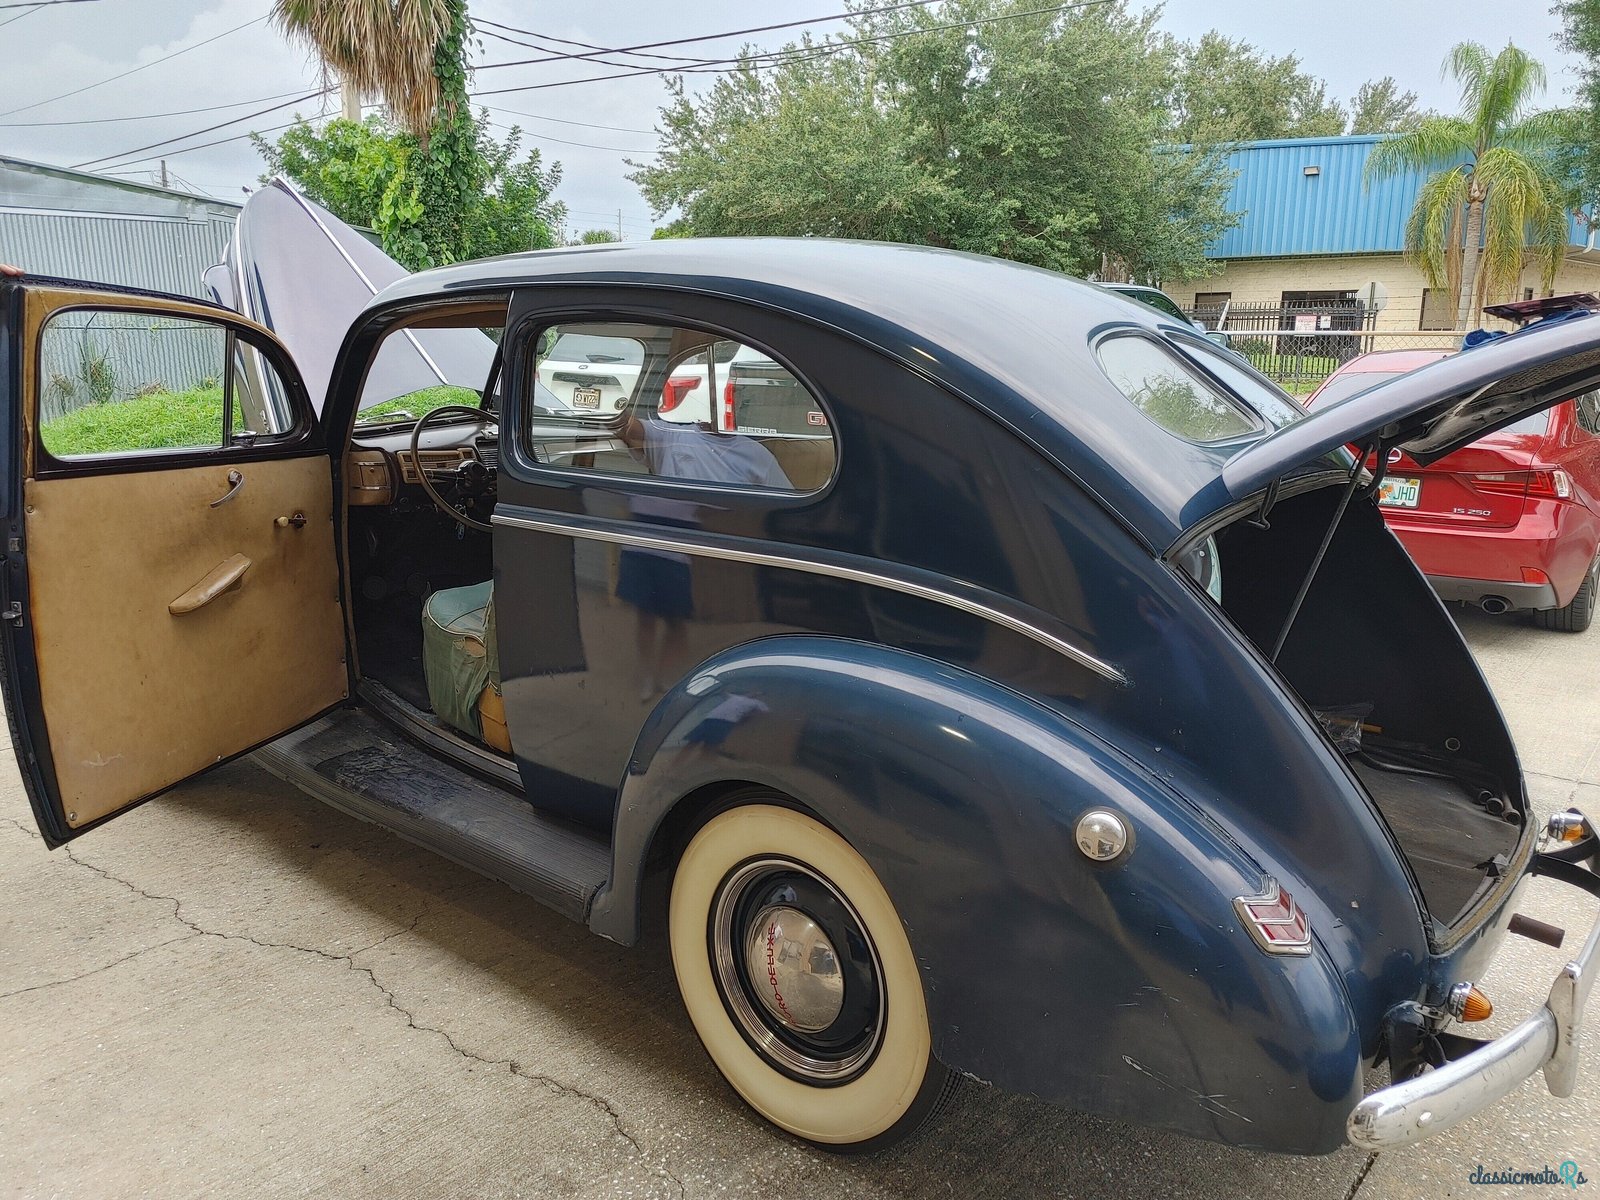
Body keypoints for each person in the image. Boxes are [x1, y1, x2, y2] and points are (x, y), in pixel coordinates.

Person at [614, 406, 791, 698]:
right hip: (648, 540)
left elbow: (783, 509)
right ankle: (647, 674)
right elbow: (627, 427)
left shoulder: (756, 455)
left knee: (678, 622)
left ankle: (672, 679)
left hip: (696, 556)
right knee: (644, 616)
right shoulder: (672, 433)